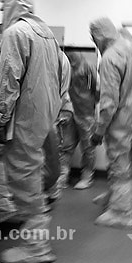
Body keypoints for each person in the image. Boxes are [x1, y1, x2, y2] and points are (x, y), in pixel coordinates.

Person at [0, 0, 62, 263]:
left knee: (24, 178)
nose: (0, 9)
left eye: (2, 3)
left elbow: (8, 80)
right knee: (31, 175)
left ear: (16, 2)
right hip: (42, 117)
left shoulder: (16, 32)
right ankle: (34, 240)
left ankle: (36, 248)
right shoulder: (47, 34)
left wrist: (0, 117)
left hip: (23, 118)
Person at [90, 20, 132, 228]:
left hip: (121, 120)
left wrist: (98, 131)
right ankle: (122, 197)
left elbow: (108, 103)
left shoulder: (110, 57)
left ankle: (122, 212)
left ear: (99, 36)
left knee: (119, 163)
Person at [47, 51, 76, 201]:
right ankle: (55, 187)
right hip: (63, 110)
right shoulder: (61, 58)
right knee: (58, 151)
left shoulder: (55, 58)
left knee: (57, 152)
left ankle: (54, 187)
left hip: (59, 111)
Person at [67, 50, 99, 190]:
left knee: (88, 147)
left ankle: (87, 176)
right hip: (70, 110)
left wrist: (92, 104)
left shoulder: (87, 67)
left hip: (86, 112)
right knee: (66, 145)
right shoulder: (67, 67)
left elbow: (97, 88)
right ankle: (61, 176)